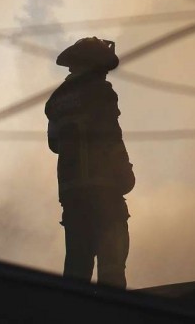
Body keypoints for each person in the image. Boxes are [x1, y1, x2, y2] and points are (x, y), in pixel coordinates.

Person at [45, 37, 135, 288]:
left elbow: (54, 145)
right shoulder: (101, 92)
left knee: (77, 266)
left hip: (72, 196)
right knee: (112, 265)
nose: (106, 73)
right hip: (104, 193)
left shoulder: (56, 101)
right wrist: (125, 172)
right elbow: (111, 135)